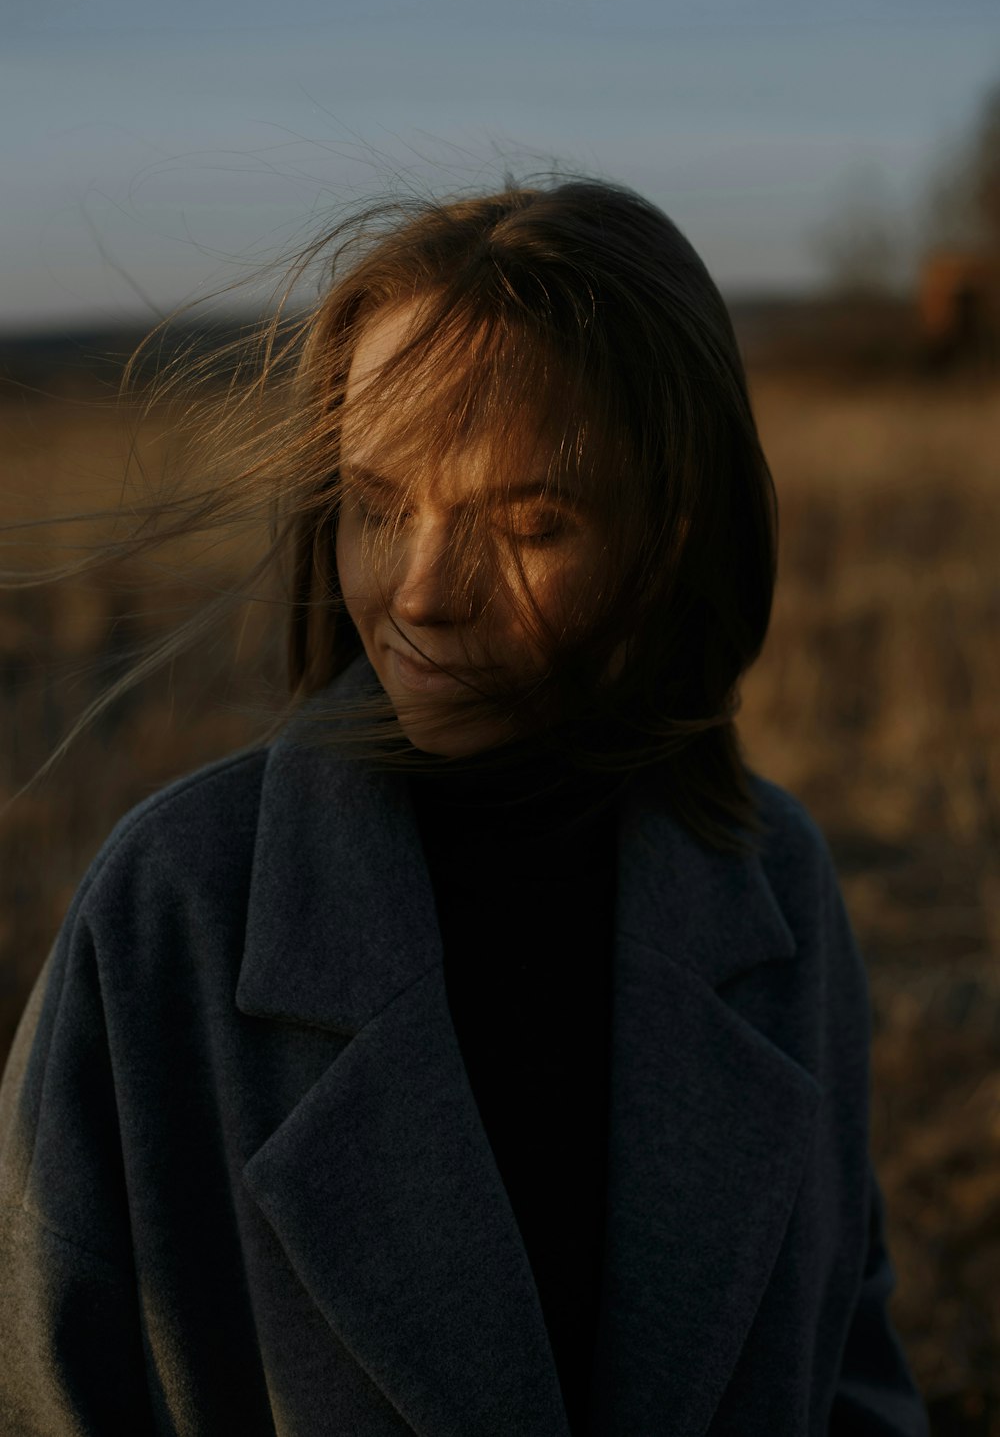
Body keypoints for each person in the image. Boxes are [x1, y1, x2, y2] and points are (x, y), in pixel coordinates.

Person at [0, 178, 929, 1436]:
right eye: (379, 505)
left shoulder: (773, 881)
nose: (423, 594)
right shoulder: (170, 912)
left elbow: (849, 1361)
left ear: (672, 536)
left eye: (531, 523)